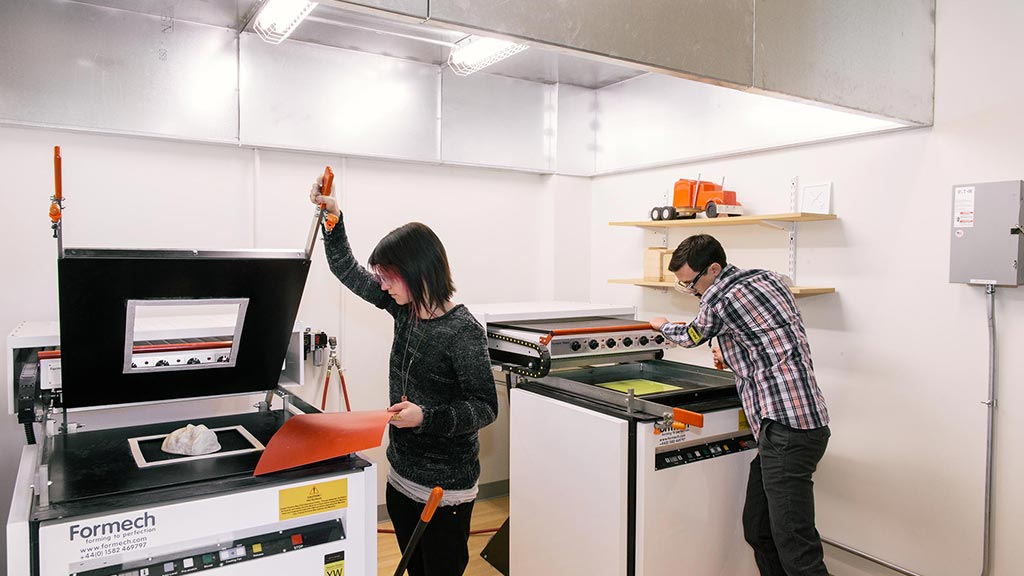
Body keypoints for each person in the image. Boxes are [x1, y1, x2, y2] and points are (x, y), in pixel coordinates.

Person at [310, 177, 498, 576]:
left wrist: (426, 417)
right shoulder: (404, 309)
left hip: (444, 492)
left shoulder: (463, 332)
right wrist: (333, 218)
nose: (381, 285)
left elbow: (484, 407)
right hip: (400, 476)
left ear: (416, 273)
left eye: (388, 277)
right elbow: (347, 269)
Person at [649, 233, 830, 576]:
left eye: (691, 284)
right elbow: (770, 337)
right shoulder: (770, 279)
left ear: (713, 269)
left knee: (796, 545)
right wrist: (729, 348)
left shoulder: (718, 295)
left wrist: (660, 324)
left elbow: (690, 336)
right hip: (801, 423)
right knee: (759, 529)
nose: (692, 292)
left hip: (786, 428)